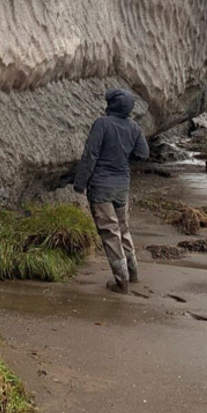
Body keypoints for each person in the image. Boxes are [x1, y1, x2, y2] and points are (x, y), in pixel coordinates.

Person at [73, 88, 149, 294]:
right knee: (123, 228)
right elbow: (143, 153)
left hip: (101, 186)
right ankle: (132, 273)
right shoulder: (134, 126)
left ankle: (121, 281)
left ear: (111, 105)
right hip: (122, 185)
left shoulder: (102, 124)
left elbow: (90, 155)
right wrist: (123, 160)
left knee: (109, 231)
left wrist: (80, 183)